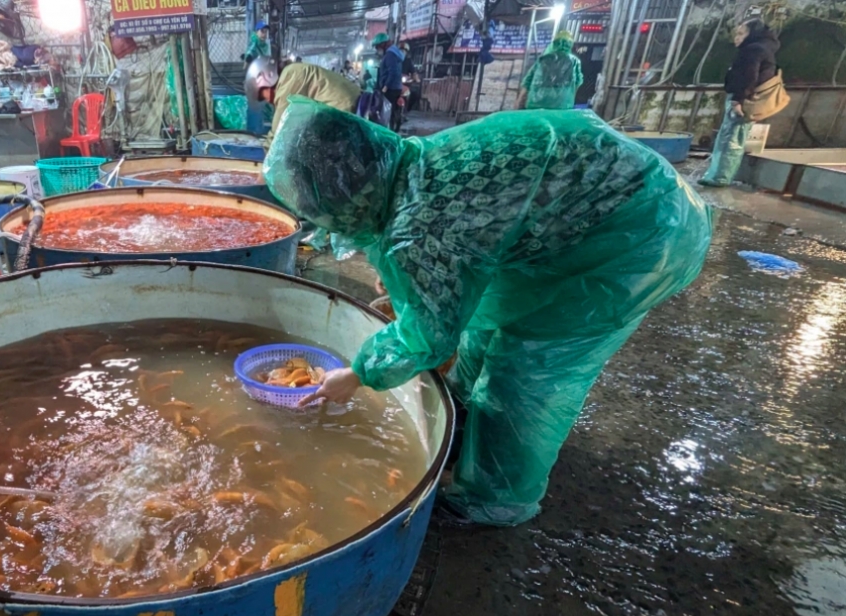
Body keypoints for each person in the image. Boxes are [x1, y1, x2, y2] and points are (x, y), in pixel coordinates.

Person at [264, 98, 712, 527]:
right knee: (483, 322)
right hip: (606, 205)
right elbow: (451, 273)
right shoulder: (413, 164)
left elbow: (428, 335)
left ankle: (495, 498)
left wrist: (356, 374)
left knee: (525, 367)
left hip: (640, 236)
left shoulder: (420, 225)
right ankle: (465, 419)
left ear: (344, 198)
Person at [701, 19, 780, 187]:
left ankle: (719, 178)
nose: (736, 38)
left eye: (741, 33)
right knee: (732, 137)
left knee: (731, 139)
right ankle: (718, 174)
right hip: (750, 99)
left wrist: (738, 100)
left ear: (752, 34)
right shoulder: (764, 49)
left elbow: (748, 77)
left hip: (743, 99)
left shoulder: (753, 50)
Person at [247, 58, 361, 147]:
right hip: (351, 112)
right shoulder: (292, 73)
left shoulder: (289, 78)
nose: (267, 100)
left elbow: (279, 132)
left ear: (268, 79)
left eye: (263, 96)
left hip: (353, 112)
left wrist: (264, 170)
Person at [516, 30, 583, 110]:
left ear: (554, 43)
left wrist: (518, 102)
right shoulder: (574, 61)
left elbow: (527, 81)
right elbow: (577, 83)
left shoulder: (543, 59)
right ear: (570, 44)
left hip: (536, 103)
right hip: (561, 105)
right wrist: (570, 100)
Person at [373, 33, 405, 132]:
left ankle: (389, 132)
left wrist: (386, 86)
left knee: (387, 112)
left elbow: (393, 71)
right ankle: (392, 130)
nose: (377, 49)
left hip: (390, 88)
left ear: (383, 44)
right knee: (391, 111)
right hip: (396, 87)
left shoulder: (390, 54)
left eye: (378, 46)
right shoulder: (393, 53)